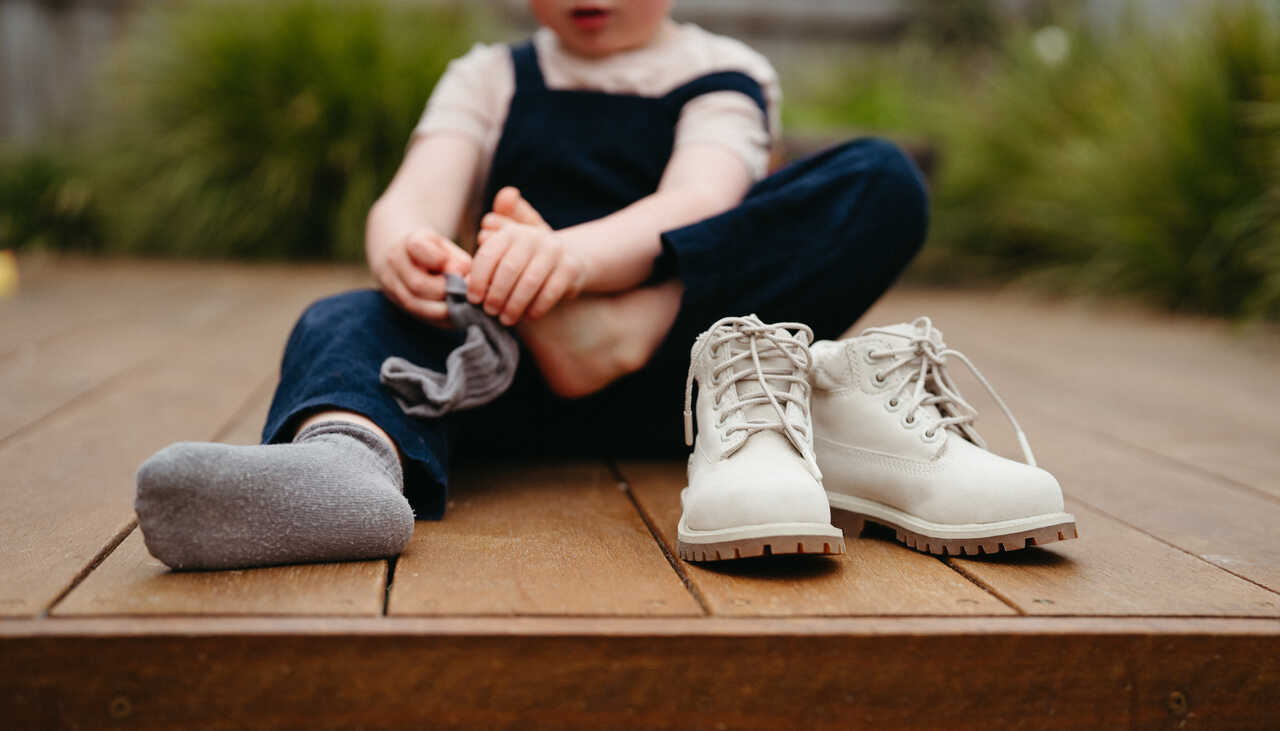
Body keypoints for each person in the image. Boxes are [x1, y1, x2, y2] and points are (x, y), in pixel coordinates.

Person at [133, 0, 929, 570]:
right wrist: (407, 248)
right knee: (344, 318)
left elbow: (699, 201)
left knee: (880, 179)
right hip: (504, 367)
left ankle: (618, 332)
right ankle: (343, 467)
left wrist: (571, 265)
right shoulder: (489, 76)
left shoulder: (721, 72)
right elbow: (416, 195)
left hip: (697, 379)